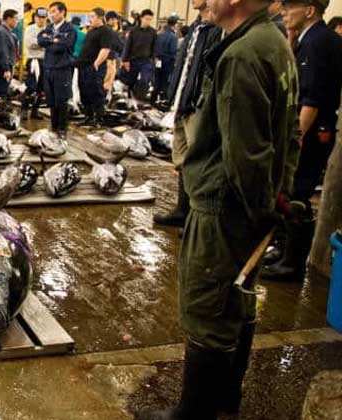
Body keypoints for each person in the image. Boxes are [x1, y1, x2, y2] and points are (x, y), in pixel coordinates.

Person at [137, 0, 299, 416]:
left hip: (224, 211)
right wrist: (278, 199)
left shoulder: (242, 54)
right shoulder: (273, 40)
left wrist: (260, 209)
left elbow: (247, 154)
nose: (199, 2)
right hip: (249, 209)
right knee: (237, 300)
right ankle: (226, 398)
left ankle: (194, 413)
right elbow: (287, 134)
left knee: (207, 310)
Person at [261, 0, 342, 280]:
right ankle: (283, 250)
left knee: (298, 192)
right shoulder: (306, 38)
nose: (284, 12)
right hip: (304, 126)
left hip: (312, 129)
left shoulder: (320, 41)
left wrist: (292, 139)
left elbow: (312, 99)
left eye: (290, 7)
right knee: (289, 189)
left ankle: (292, 264)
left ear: (310, 10)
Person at [153, 0, 221, 227]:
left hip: (197, 105)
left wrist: (200, 102)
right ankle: (182, 210)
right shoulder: (196, 26)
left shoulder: (216, 29)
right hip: (182, 102)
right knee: (181, 157)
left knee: (197, 161)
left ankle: (195, 216)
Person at [38, 2, 75, 138]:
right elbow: (40, 40)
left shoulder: (69, 29)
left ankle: (62, 129)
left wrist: (52, 43)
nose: (51, 15)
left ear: (62, 12)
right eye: (50, 12)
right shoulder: (49, 28)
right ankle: (53, 127)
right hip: (48, 68)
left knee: (62, 100)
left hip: (62, 69)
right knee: (51, 100)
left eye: (54, 11)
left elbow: (63, 46)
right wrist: (53, 41)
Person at [74, 7, 111, 126]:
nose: (90, 19)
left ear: (100, 18)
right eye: (89, 17)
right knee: (84, 92)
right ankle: (88, 116)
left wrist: (97, 63)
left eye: (92, 17)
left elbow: (105, 49)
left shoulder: (105, 30)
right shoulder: (90, 31)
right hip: (83, 66)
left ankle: (99, 119)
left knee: (96, 92)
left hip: (94, 66)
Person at [122, 9, 156, 100]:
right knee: (130, 81)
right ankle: (130, 97)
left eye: (150, 19)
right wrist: (125, 60)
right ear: (141, 18)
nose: (148, 21)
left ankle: (140, 99)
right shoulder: (133, 31)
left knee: (145, 80)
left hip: (146, 61)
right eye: (146, 19)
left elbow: (154, 46)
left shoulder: (153, 32)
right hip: (133, 59)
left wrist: (153, 59)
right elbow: (128, 46)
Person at [24, 7, 47, 119]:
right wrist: (45, 42)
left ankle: (35, 110)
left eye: (43, 18)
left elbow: (52, 43)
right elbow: (30, 44)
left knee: (41, 88)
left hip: (45, 61)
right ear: (35, 17)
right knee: (31, 86)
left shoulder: (49, 29)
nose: (41, 20)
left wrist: (41, 42)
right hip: (33, 61)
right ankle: (24, 109)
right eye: (39, 17)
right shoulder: (30, 29)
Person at [152, 15, 179, 105]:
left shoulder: (159, 35)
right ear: (175, 25)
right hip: (168, 61)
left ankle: (153, 99)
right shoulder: (173, 37)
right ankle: (162, 101)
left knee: (156, 79)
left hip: (157, 60)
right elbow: (173, 51)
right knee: (165, 81)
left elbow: (154, 48)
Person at [0, 9, 19, 105]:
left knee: (4, 92)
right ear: (9, 19)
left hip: (8, 66)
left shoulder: (8, 32)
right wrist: (6, 69)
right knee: (1, 92)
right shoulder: (2, 32)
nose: (17, 21)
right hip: (3, 69)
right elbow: (3, 51)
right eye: (16, 19)